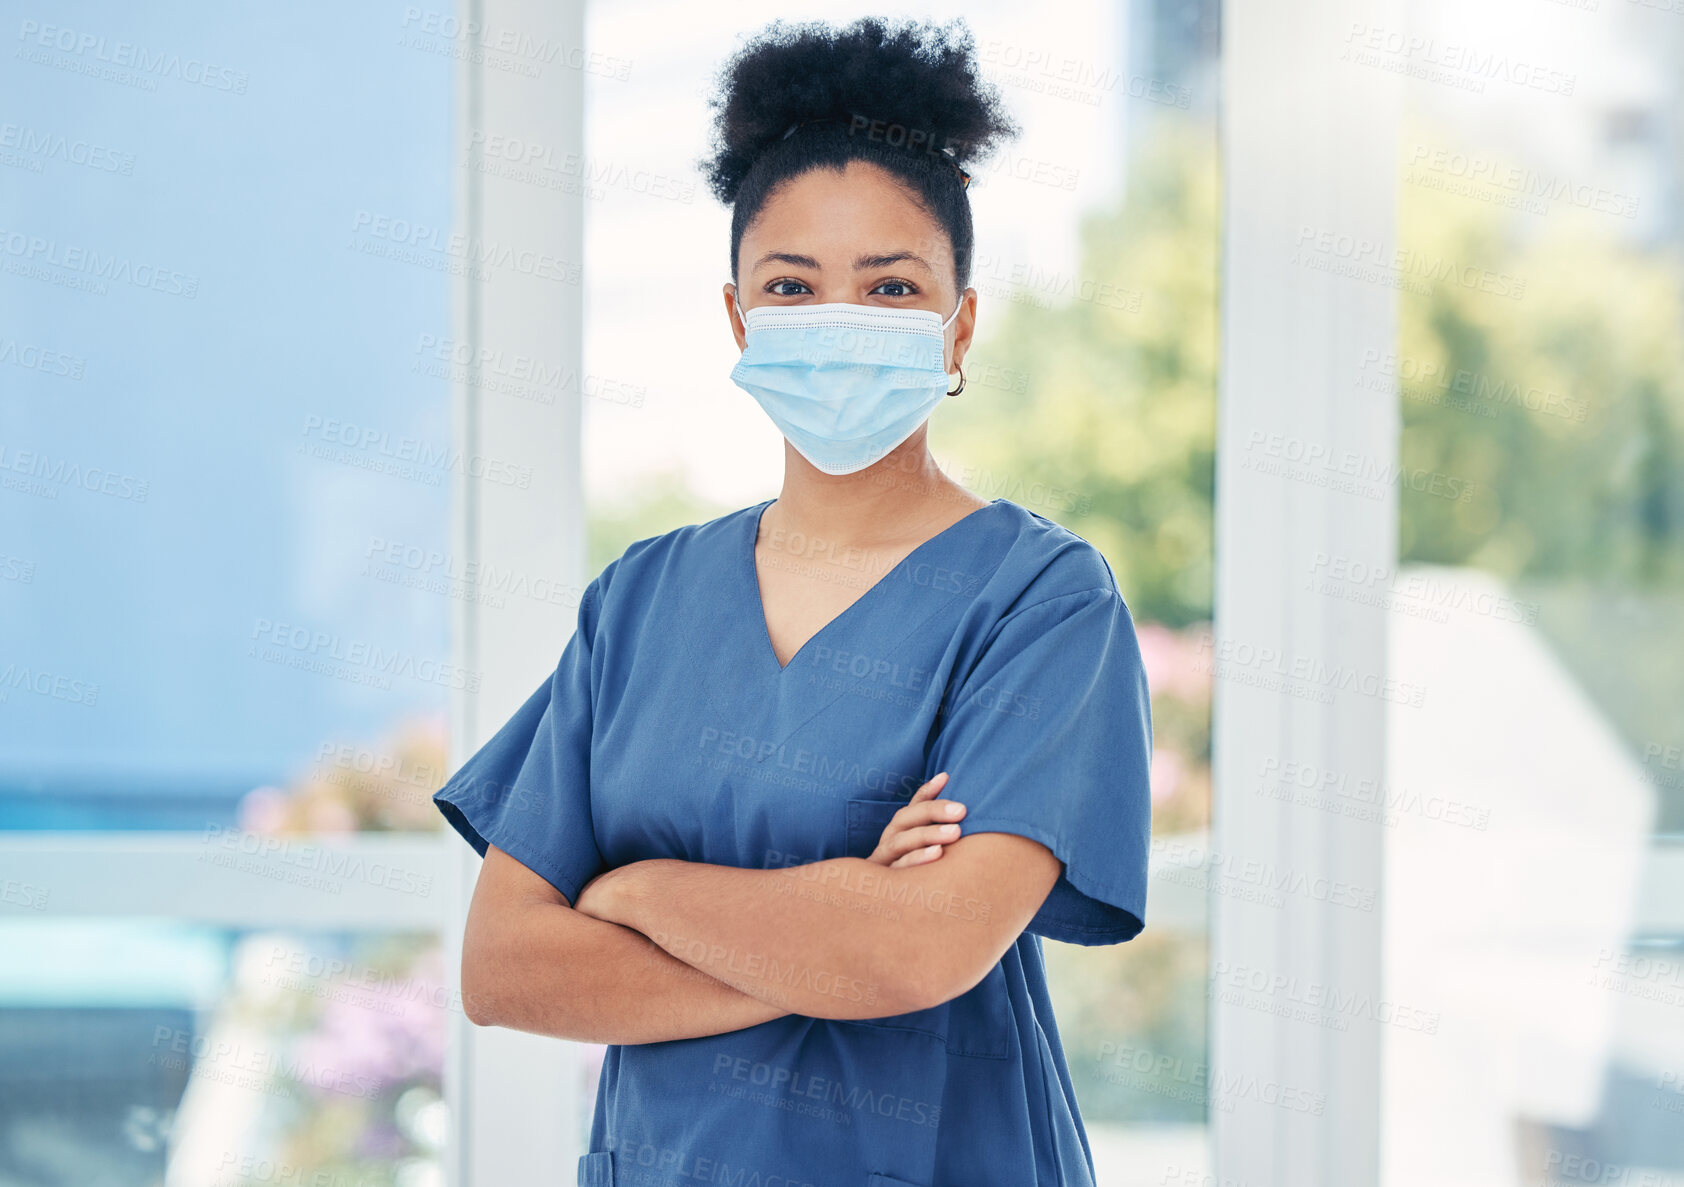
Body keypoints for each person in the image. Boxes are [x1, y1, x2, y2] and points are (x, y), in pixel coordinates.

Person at [433, 15, 1154, 1186]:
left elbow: (918, 955)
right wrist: (832, 918)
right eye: (792, 283)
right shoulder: (641, 599)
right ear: (738, 317)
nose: (840, 320)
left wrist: (639, 891)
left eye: (890, 285)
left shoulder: (1040, 600)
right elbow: (505, 967)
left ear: (957, 323)